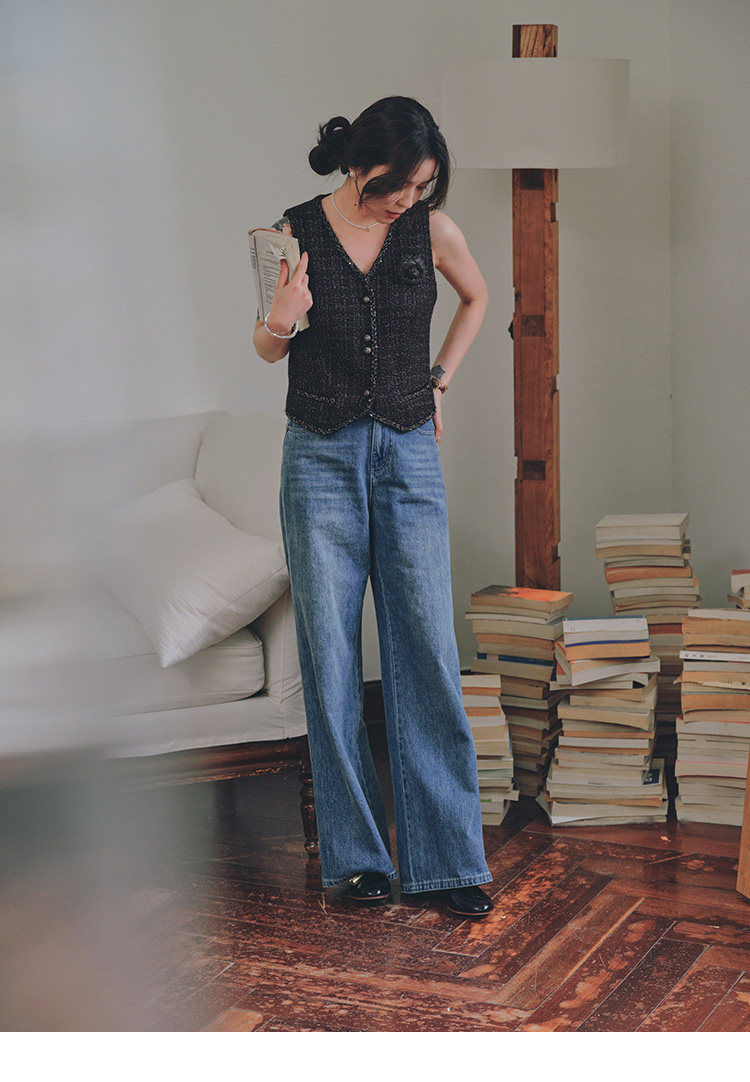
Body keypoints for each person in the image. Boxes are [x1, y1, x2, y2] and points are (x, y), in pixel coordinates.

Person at [253, 96, 493, 918]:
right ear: (359, 165)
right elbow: (266, 344)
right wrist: (279, 321)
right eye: (397, 185)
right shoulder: (292, 233)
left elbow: (477, 299)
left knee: (425, 648)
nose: (408, 199)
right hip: (318, 455)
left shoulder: (433, 230)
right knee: (328, 653)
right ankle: (358, 861)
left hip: (408, 452)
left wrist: (439, 381)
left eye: (422, 185)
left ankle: (448, 861)